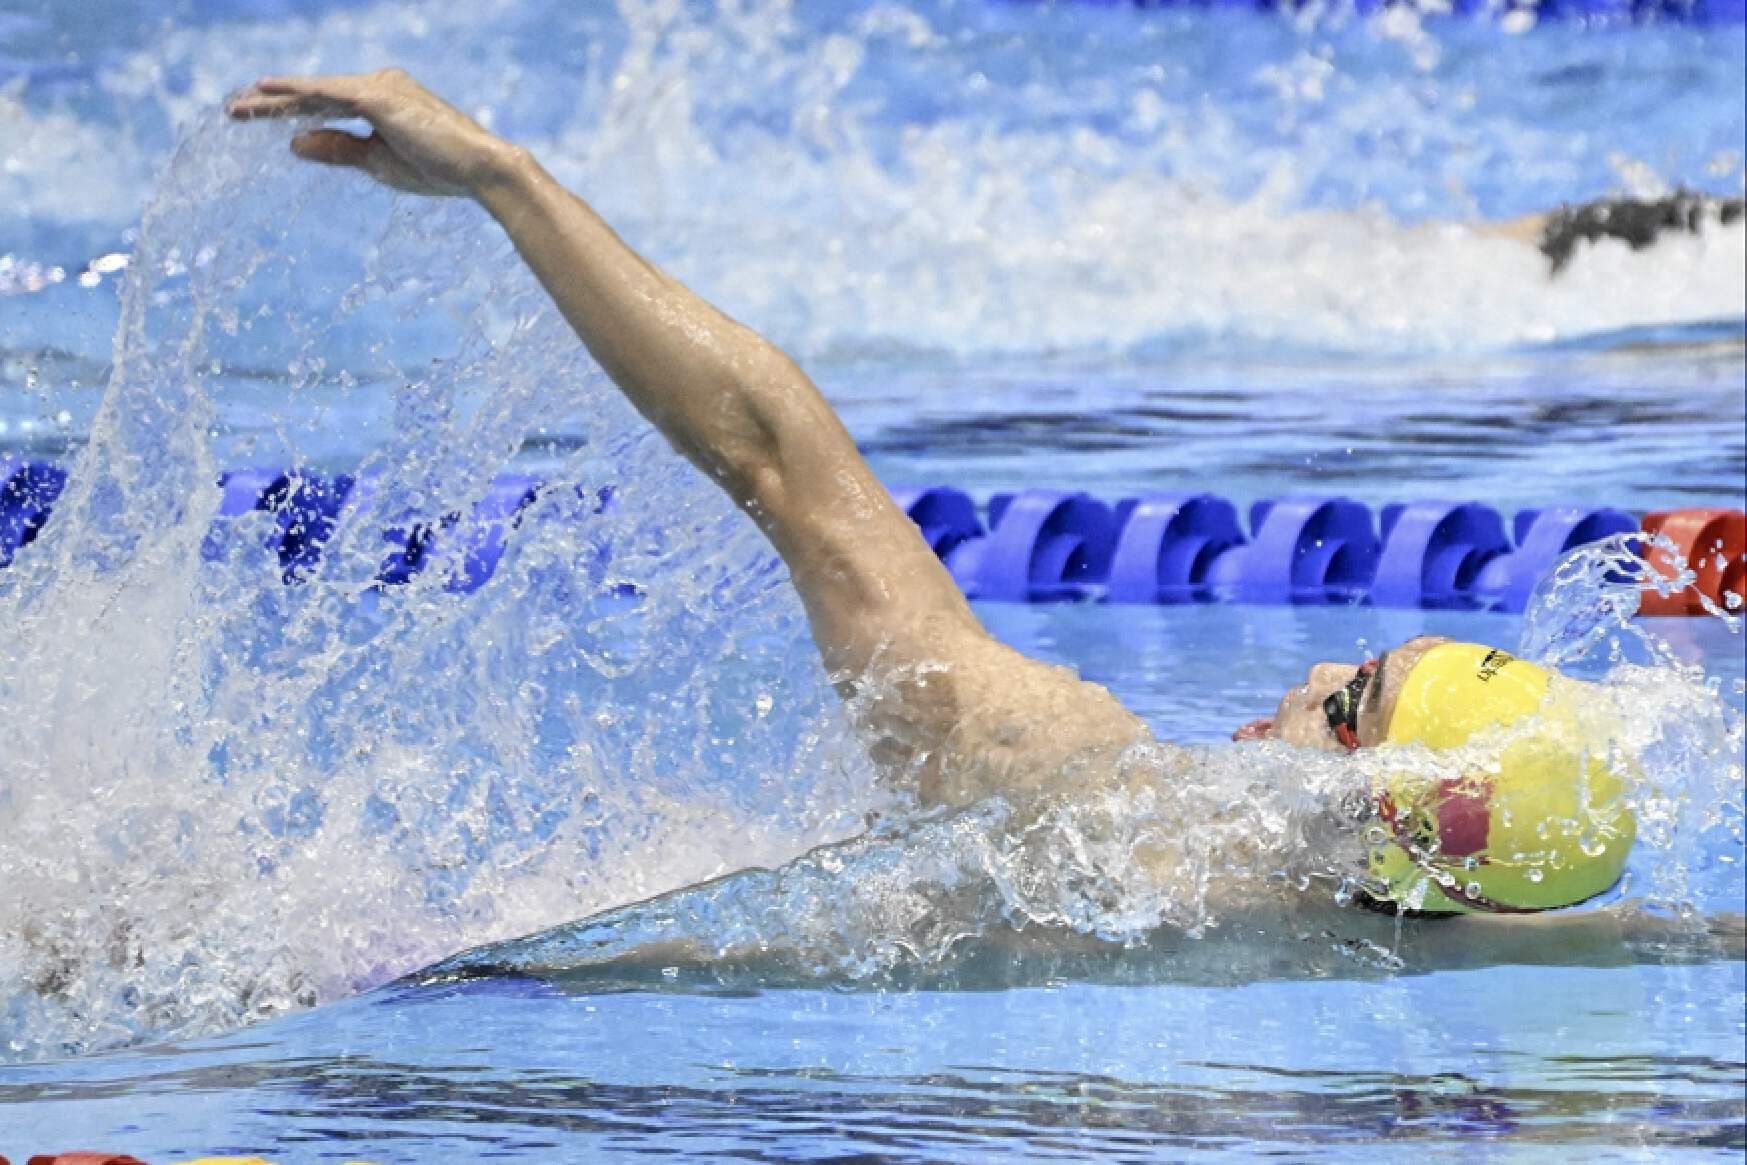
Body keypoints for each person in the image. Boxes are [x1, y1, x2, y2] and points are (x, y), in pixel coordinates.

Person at [227, 69, 1640, 921]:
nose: (1319, 663)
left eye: (1352, 701)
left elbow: (781, 463)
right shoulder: (1447, 918)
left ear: (1368, 797)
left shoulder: (1080, 782)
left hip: (405, 956)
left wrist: (507, 179)